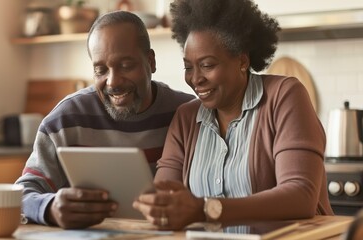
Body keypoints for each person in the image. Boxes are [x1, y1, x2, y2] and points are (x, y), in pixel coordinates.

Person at [132, 0, 334, 230]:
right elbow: (164, 198)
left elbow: (301, 195)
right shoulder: (186, 118)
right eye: (189, 67)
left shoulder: (284, 96)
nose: (195, 79)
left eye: (207, 65)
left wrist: (205, 209)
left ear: (242, 61)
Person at [14, 10, 195, 229]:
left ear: (151, 61)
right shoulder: (65, 119)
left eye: (126, 66)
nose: (112, 82)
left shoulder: (185, 113)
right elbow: (22, 193)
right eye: (101, 70)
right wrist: (50, 207)